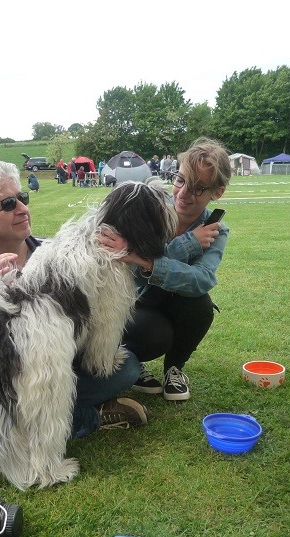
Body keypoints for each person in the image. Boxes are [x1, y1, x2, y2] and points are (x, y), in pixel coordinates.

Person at [0, 160, 147, 435]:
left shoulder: (56, 251)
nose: (23, 209)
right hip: (11, 366)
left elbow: (95, 317)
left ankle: (38, 419)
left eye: (22, 197)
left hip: (67, 362)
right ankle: (90, 416)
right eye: (8, 204)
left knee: (128, 366)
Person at [118, 137, 231, 401]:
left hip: (174, 303)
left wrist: (147, 260)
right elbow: (129, 270)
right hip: (132, 302)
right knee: (155, 335)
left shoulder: (217, 230)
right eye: (179, 180)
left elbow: (202, 279)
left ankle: (174, 369)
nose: (182, 194)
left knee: (201, 307)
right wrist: (186, 245)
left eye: (198, 188)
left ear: (218, 192)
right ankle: (132, 363)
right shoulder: (148, 211)